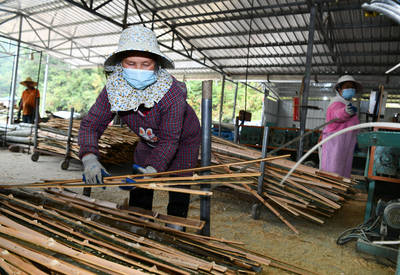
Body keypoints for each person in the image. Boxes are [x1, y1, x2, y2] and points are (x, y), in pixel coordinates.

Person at [78, 26, 201, 228]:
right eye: (131, 63)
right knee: (139, 183)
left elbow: (170, 141)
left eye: (146, 64)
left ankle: (175, 226)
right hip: (148, 139)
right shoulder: (115, 88)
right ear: (121, 63)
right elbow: (91, 125)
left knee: (179, 182)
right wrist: (89, 157)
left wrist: (152, 169)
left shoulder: (171, 94)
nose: (138, 70)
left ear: (156, 65)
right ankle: (139, 221)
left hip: (183, 141)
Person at [320, 75, 362, 178]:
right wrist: (345, 112)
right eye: (347, 87)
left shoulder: (347, 104)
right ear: (339, 89)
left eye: (352, 87)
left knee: (343, 170)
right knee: (333, 170)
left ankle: (339, 190)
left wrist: (356, 140)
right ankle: (330, 191)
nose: (350, 89)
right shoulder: (336, 102)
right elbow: (336, 115)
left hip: (345, 143)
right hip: (335, 143)